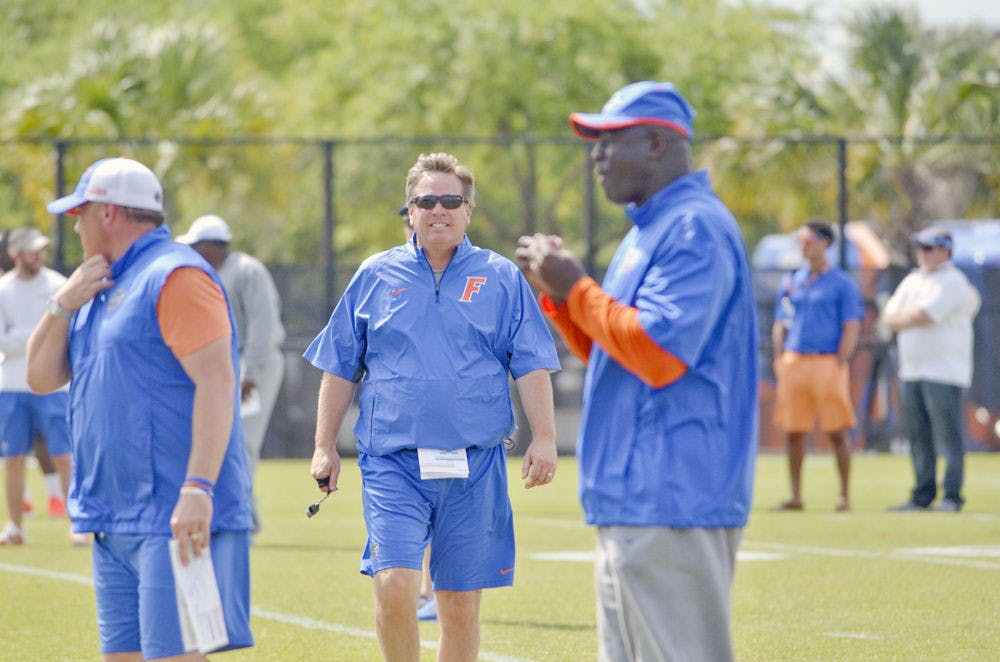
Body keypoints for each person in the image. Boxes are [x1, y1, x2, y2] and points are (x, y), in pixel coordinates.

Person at [516, 81, 758, 662]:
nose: (596, 157)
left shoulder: (693, 227)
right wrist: (559, 298)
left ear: (655, 144)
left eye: (608, 141)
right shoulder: (650, 228)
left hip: (675, 493)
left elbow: (657, 351)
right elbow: (613, 351)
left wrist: (577, 285)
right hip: (638, 494)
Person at [306, 152, 560, 662]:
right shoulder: (375, 275)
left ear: (468, 210)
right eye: (427, 201)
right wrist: (323, 447)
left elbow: (531, 363)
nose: (438, 210)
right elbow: (339, 366)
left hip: (474, 464)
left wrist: (546, 438)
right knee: (397, 582)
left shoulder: (501, 277)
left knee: (460, 606)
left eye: (450, 200)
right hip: (392, 463)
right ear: (410, 208)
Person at [26, 157, 254, 659]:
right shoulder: (94, 285)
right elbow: (40, 378)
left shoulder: (176, 275)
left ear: (107, 213)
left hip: (175, 517)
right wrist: (62, 303)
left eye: (79, 212)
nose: (75, 224)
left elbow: (218, 384)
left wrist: (198, 488)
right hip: (115, 518)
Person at [177, 214, 286, 533]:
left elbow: (262, 327)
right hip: (229, 367)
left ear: (211, 245)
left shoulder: (246, 270)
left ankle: (242, 518)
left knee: (243, 440)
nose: (193, 253)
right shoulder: (213, 272)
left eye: (197, 246)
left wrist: (249, 374)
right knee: (226, 439)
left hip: (255, 368)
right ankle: (242, 514)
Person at [883, 227, 981, 512]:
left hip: (944, 371)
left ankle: (952, 495)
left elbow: (926, 314)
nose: (923, 253)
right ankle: (922, 494)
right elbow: (890, 315)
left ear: (946, 251)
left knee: (947, 435)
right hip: (912, 370)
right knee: (918, 435)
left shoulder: (953, 282)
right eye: (920, 248)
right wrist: (907, 317)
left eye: (929, 248)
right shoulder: (913, 280)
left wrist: (907, 317)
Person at [771, 221, 863, 512]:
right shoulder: (791, 281)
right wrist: (780, 357)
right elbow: (781, 322)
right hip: (795, 360)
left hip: (827, 361)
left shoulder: (842, 282)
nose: (803, 246)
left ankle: (845, 495)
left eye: (808, 239)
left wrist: (841, 360)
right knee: (794, 431)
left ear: (824, 243)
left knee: (837, 430)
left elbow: (851, 325)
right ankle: (796, 495)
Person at [0, 227, 80, 545]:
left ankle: (78, 523)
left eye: (41, 250)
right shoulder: (3, 289)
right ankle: (15, 526)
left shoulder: (58, 285)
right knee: (13, 457)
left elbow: (65, 332)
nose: (39, 255)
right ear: (16, 255)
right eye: (32, 250)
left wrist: (26, 337)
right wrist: (29, 338)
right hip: (12, 385)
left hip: (54, 387)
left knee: (64, 454)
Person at [397, 201, 437, 622]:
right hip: (405, 425)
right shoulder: (390, 272)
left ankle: (433, 591)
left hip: (443, 424)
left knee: (438, 514)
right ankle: (427, 591)